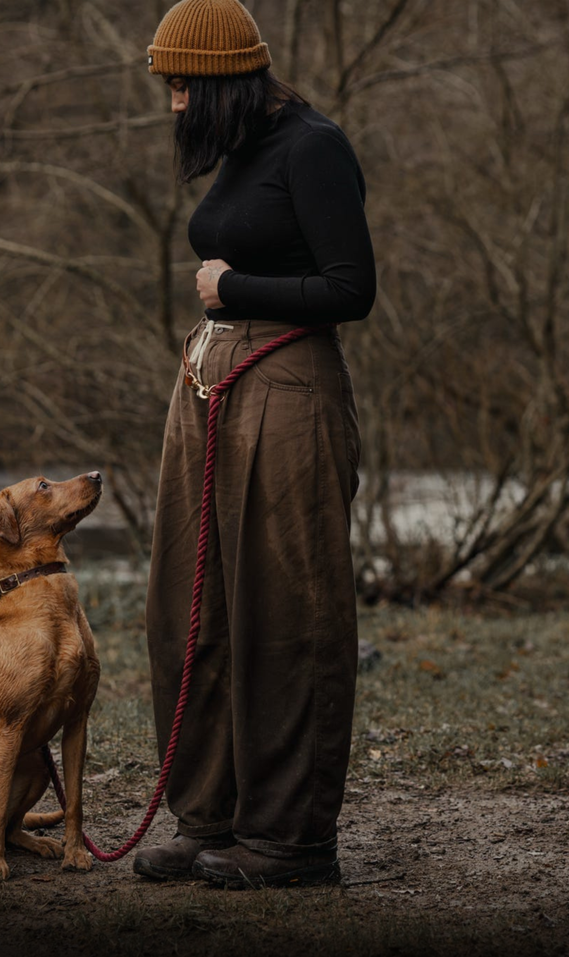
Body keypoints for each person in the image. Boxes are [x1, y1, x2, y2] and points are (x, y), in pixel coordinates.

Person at [134, 0, 376, 888]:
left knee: (285, 615)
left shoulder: (312, 146)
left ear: (227, 78)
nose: (172, 104)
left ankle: (289, 840)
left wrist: (231, 284)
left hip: (286, 388)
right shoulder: (242, 150)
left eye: (182, 85)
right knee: (189, 609)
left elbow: (353, 288)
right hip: (209, 384)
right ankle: (208, 818)